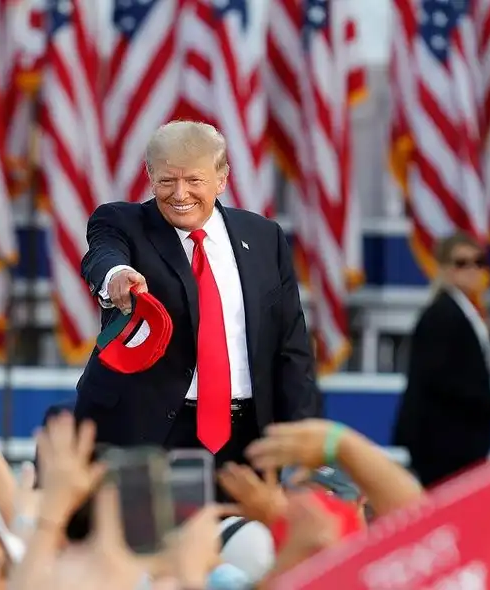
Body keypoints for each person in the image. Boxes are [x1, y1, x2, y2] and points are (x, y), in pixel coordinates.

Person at [75, 120, 320, 470]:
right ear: (149, 175)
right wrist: (116, 276)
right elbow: (103, 255)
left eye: (194, 180)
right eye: (167, 180)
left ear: (222, 178)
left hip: (247, 439)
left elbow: (291, 348)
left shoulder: (265, 237)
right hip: (146, 433)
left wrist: (305, 441)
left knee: (245, 527)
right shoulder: (122, 222)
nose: (179, 194)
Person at [392, 232, 490, 488]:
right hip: (443, 444)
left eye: (478, 262)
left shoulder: (463, 313)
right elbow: (440, 378)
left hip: (458, 442)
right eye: (461, 263)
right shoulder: (442, 315)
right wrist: (489, 402)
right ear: (444, 268)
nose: (472, 270)